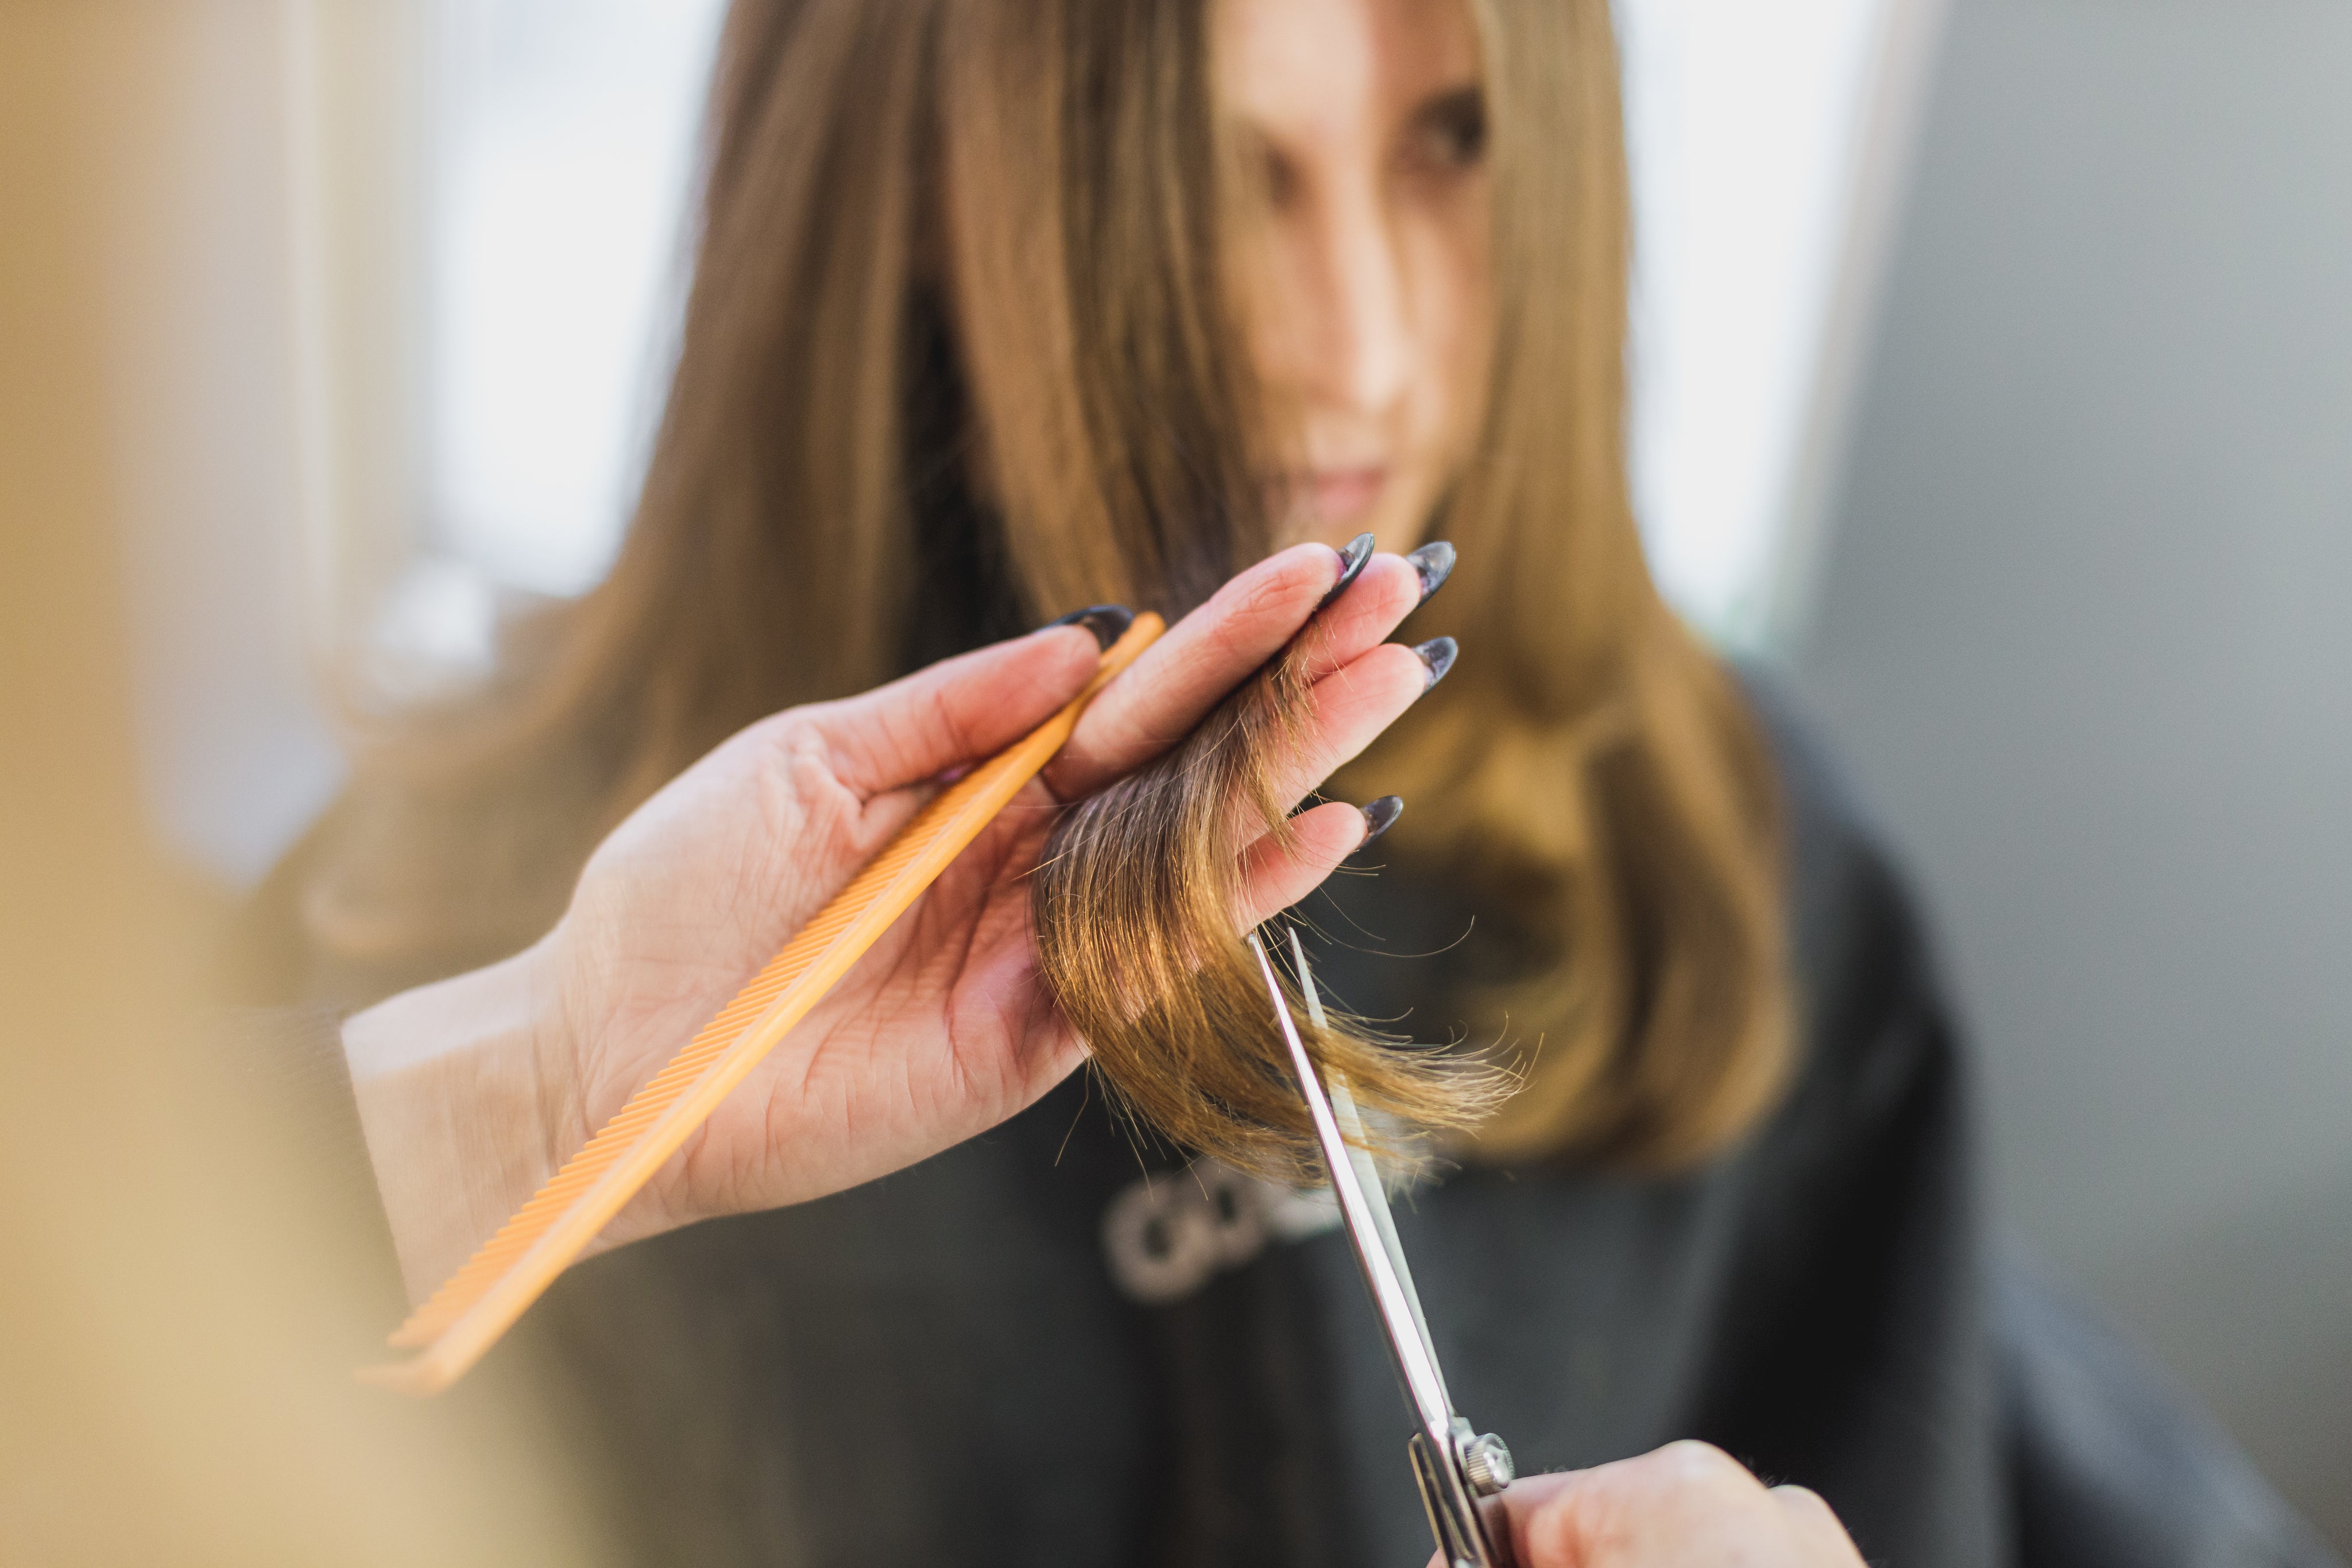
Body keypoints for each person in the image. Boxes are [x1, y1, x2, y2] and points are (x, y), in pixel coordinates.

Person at [243, 1, 2336, 1565]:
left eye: (1448, 141)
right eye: (1220, 177)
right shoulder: (441, 943)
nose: (1353, 350)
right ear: (900, 186)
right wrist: (527, 1109)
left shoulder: (1740, 863)